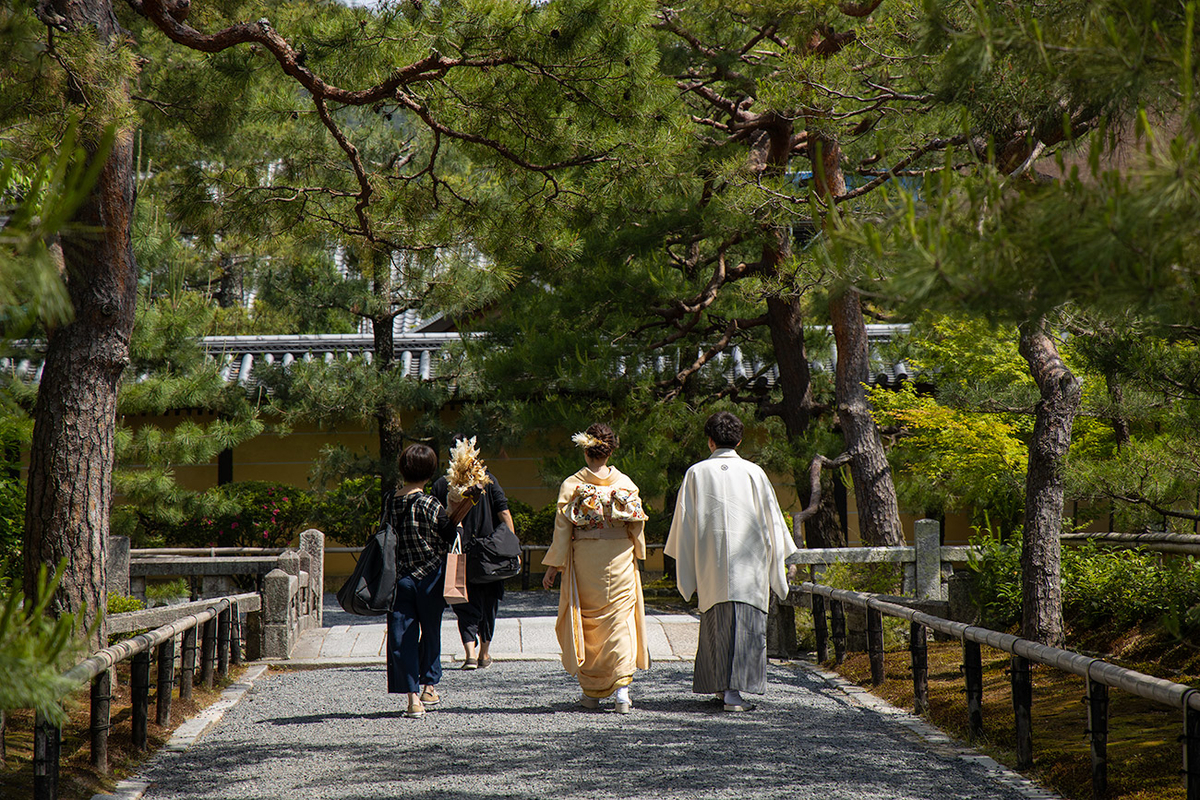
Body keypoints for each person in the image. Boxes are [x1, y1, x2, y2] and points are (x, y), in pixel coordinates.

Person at [664, 411, 797, 712]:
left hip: (711, 561)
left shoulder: (696, 473)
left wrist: (687, 568)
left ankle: (722, 687)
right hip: (749, 562)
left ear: (710, 441)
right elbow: (772, 521)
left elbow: (683, 526)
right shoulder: (754, 472)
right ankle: (734, 694)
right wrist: (778, 560)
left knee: (716, 622)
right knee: (746, 623)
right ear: (739, 440)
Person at [542, 423, 649, 714]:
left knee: (588, 625)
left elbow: (562, 530)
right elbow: (636, 525)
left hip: (586, 558)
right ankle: (622, 693)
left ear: (585, 450)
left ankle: (591, 693)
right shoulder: (625, 483)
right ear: (611, 449)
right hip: (620, 557)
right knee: (620, 621)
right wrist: (639, 551)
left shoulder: (571, 484)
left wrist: (553, 566)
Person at [387, 443, 476, 719]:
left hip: (400, 578)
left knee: (402, 635)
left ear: (403, 469)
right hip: (431, 578)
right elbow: (451, 537)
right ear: (429, 473)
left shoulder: (391, 501)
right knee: (431, 631)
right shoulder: (430, 503)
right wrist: (457, 518)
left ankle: (412, 698)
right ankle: (428, 686)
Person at [431, 433, 516, 670]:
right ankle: (484, 654)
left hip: (458, 552)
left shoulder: (441, 484)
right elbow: (504, 512)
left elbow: (437, 521)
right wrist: (512, 545)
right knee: (489, 600)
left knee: (463, 601)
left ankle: (469, 653)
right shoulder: (487, 479)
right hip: (490, 552)